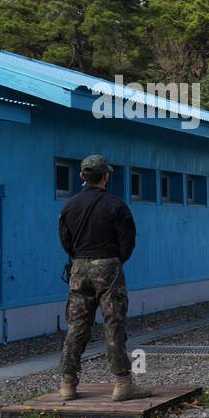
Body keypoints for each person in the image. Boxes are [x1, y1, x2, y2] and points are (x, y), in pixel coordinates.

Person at [58, 155, 147, 402]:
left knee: (76, 325)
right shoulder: (116, 206)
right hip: (108, 265)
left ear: (81, 177)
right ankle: (122, 383)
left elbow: (65, 241)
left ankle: (67, 383)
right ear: (106, 176)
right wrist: (114, 259)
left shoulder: (68, 207)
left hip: (78, 267)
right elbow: (127, 242)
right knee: (114, 323)